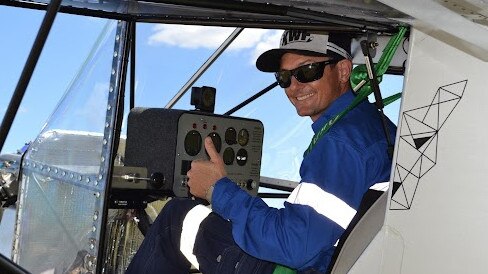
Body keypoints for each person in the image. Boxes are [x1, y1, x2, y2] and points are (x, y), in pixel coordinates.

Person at [126, 29, 396, 274]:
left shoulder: (343, 142)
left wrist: (216, 189)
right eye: (284, 77)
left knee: (177, 219)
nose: (294, 86)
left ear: (344, 70)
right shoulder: (372, 126)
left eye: (307, 71)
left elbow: (294, 246)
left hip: (305, 267)